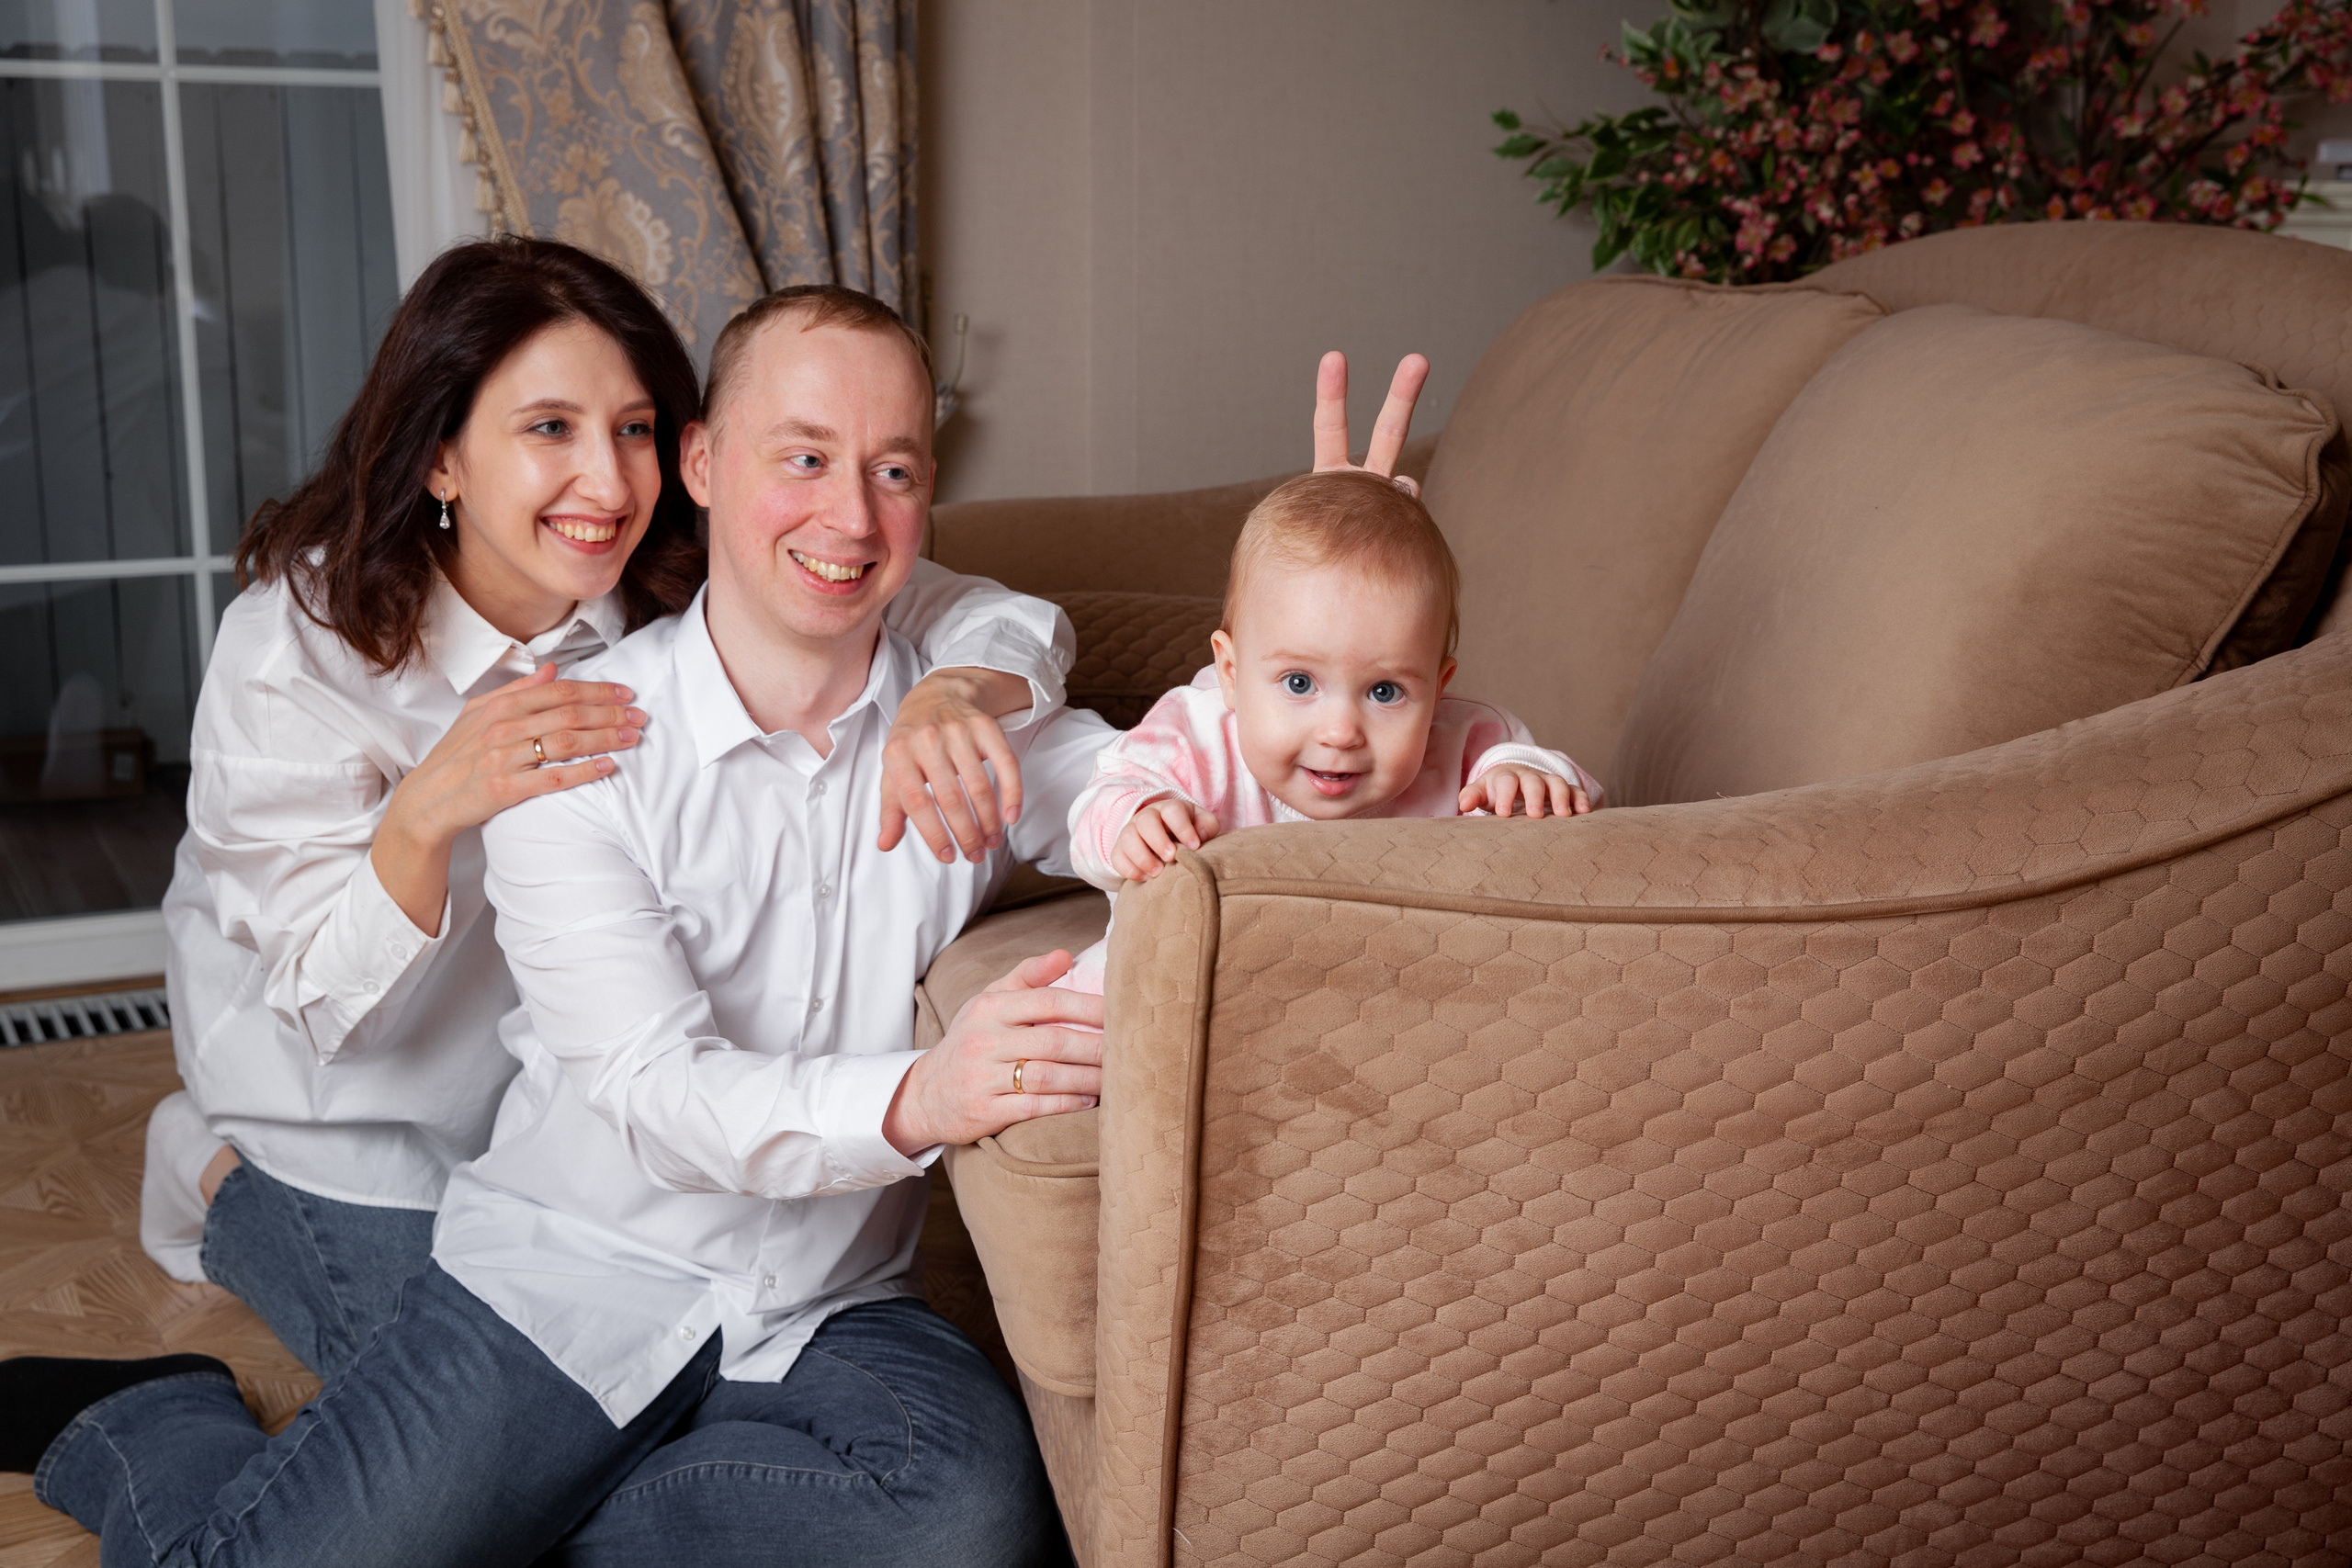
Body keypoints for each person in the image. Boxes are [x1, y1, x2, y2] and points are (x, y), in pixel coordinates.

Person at [4, 284, 1109, 1568]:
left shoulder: (674, 575)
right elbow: (329, 1004)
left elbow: (964, 606)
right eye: (548, 428)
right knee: (386, 1486)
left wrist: (968, 691)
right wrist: (427, 812)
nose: (605, 478)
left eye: (631, 429)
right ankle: (152, 1399)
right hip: (360, 1120)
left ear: (678, 453)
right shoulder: (303, 647)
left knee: (953, 1509)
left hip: (708, 1212)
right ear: (441, 457)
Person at [1057, 459, 1600, 995]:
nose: (1341, 733)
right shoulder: (1197, 737)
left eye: (1384, 691)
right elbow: (1103, 799)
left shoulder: (1466, 742)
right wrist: (1137, 817)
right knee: (1080, 1009)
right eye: (1299, 683)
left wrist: (1524, 781)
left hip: (1378, 995)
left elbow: (1566, 792)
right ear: (1231, 672)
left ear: (1438, 690)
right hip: (1189, 985)